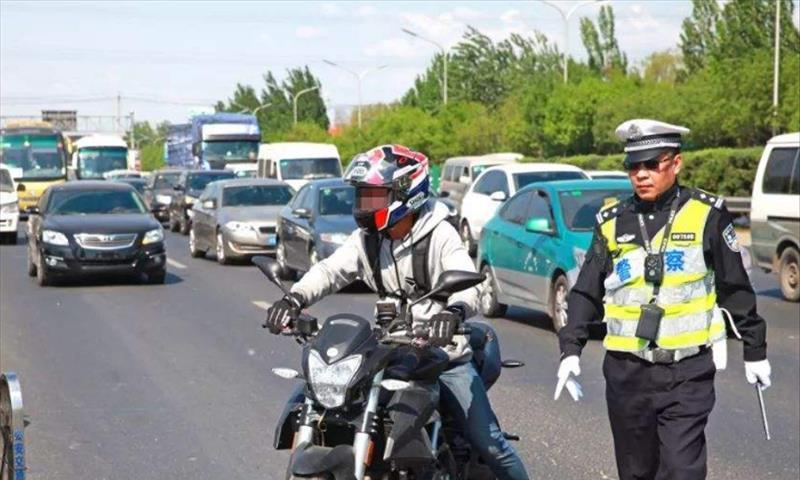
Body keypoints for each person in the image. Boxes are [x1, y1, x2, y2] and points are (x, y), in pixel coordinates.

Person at [264, 144, 529, 480]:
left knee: (490, 443)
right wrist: (294, 299)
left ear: (407, 194)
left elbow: (470, 284)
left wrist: (454, 312)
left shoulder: (439, 234)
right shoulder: (368, 239)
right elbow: (330, 271)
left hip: (441, 353)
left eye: (374, 196)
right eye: (362, 196)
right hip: (390, 348)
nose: (364, 205)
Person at [554, 119, 772, 480]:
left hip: (686, 372)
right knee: (637, 472)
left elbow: (734, 287)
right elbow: (586, 290)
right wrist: (571, 349)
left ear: (676, 163)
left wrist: (755, 350)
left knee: (682, 470)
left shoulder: (707, 215)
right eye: (633, 166)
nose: (641, 174)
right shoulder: (611, 222)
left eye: (652, 164)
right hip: (627, 373)